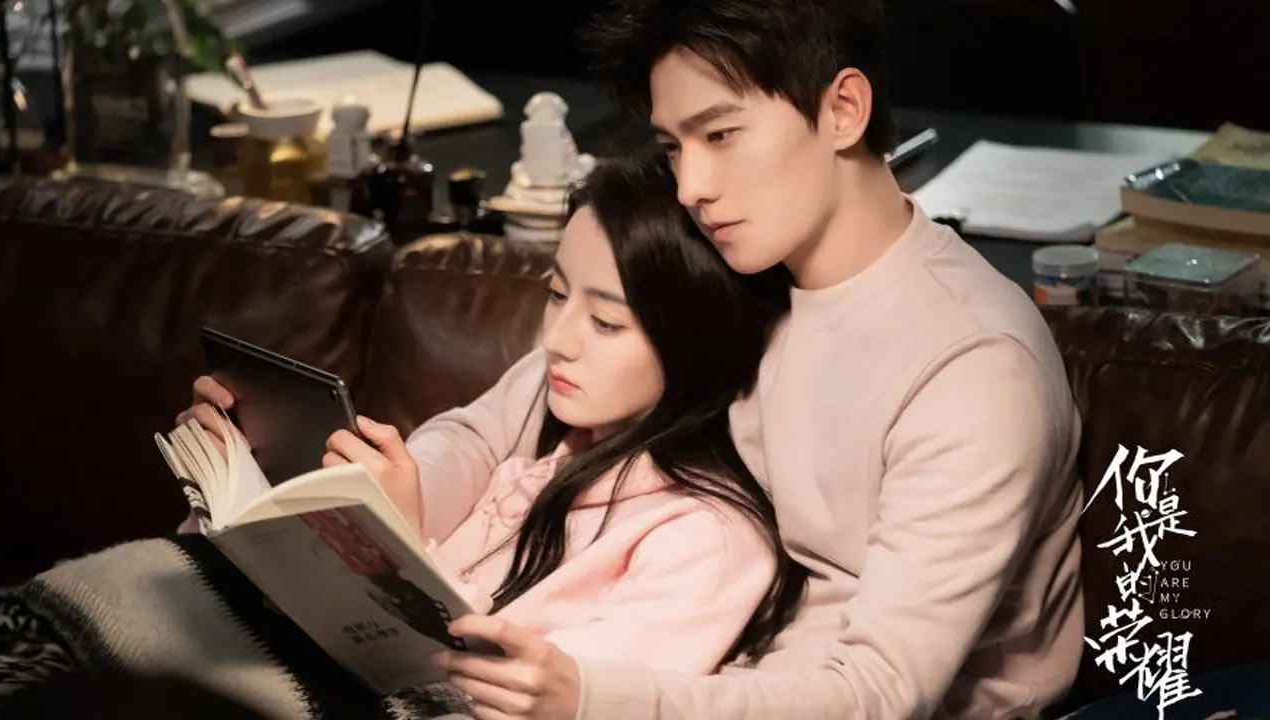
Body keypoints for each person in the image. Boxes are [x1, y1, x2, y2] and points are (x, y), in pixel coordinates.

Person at [376, 1, 1087, 718]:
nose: (691, 187)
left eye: (720, 134)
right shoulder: (739, 261)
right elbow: (500, 420)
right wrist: (381, 504)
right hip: (691, 667)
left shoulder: (975, 369)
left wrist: (592, 698)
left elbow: (880, 694)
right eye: (673, 147)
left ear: (843, 110)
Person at [181, 149, 807, 681]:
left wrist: (395, 546)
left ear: (698, 341)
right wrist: (254, 475)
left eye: (606, 321)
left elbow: (550, 699)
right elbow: (466, 439)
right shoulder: (558, 395)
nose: (557, 339)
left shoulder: (707, 541)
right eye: (556, 293)